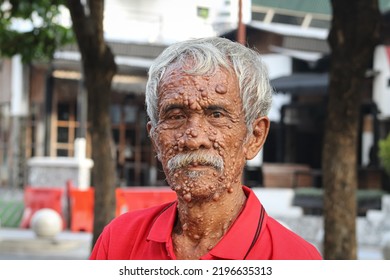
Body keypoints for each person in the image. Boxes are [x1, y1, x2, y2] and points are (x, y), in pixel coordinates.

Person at [90, 37, 322, 260]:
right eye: (176, 116)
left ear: (255, 137)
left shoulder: (294, 259)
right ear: (155, 139)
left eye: (216, 115)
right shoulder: (119, 242)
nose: (194, 139)